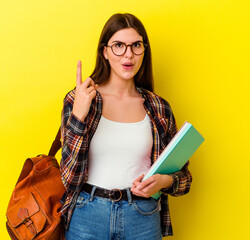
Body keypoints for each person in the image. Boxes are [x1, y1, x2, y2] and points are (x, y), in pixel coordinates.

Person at [60, 13, 192, 239]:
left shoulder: (159, 108)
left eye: (136, 45)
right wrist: (79, 115)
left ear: (144, 50)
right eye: (119, 45)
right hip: (87, 215)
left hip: (142, 216)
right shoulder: (81, 99)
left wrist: (164, 181)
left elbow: (185, 179)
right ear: (105, 52)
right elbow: (69, 177)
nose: (128, 54)